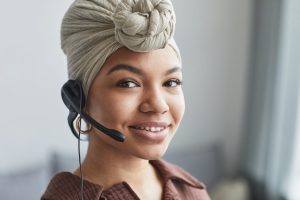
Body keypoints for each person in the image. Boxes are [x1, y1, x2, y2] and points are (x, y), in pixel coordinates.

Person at [41, 0, 211, 199]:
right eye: (128, 84)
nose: (158, 105)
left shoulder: (192, 191)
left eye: (171, 82)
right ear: (77, 98)